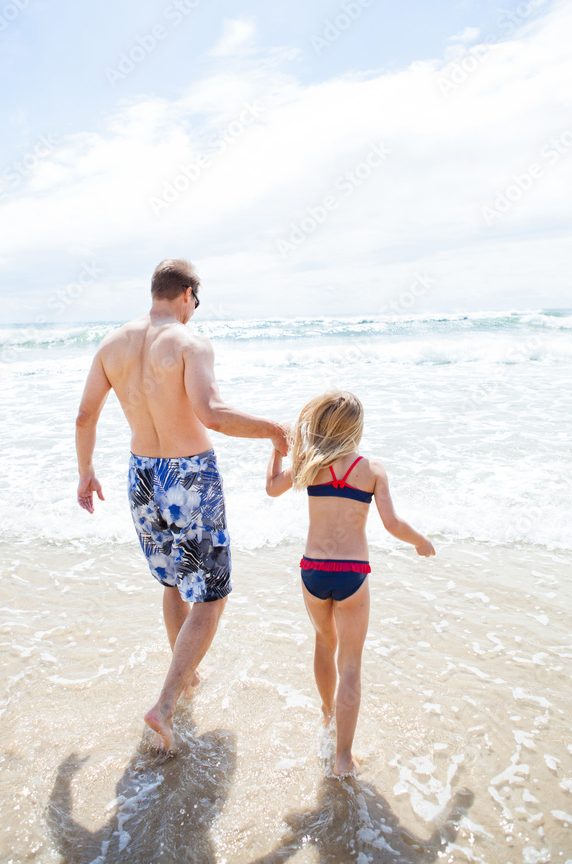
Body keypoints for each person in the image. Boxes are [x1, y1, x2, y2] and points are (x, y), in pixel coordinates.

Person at [75, 258, 288, 753]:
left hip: (142, 474)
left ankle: (185, 679)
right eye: (197, 300)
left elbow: (85, 415)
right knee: (211, 597)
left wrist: (85, 471)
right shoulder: (190, 342)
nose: (195, 308)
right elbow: (211, 413)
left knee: (173, 582)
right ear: (188, 293)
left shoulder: (111, 344)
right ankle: (165, 705)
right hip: (188, 476)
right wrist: (273, 430)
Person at [265, 390, 435, 777]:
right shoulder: (372, 470)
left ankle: (328, 716)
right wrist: (421, 542)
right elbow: (392, 524)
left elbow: (272, 487)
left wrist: (277, 448)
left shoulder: (310, 464)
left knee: (325, 645)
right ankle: (343, 759)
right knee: (352, 665)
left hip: (313, 570)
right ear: (356, 428)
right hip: (352, 573)